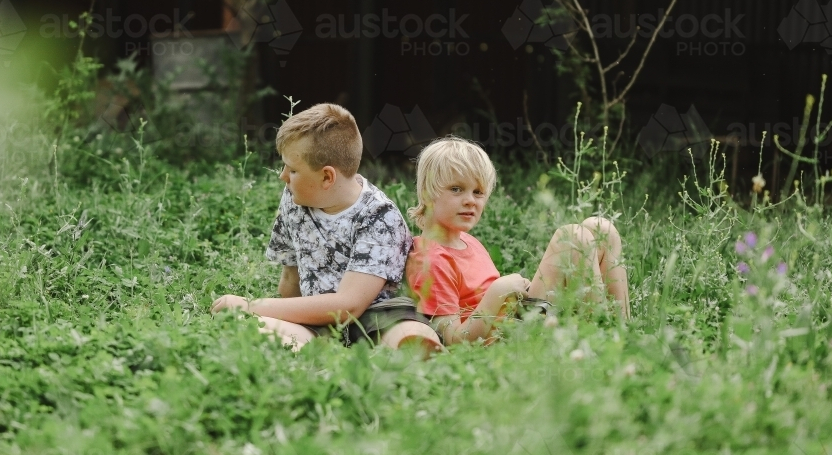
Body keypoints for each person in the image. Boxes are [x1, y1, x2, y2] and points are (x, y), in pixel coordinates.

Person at [211, 103, 442, 353]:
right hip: (314, 318)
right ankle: (307, 352)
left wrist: (250, 304)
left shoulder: (379, 215)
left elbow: (349, 306)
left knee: (408, 332)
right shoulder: (294, 199)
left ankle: (413, 351)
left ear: (327, 177)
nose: (283, 176)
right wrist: (271, 315)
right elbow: (290, 278)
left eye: (293, 169)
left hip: (374, 316)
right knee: (244, 324)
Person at [405, 137, 629, 346]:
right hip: (507, 342)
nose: (470, 200)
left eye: (478, 192)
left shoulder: (468, 242)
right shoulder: (430, 260)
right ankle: (603, 341)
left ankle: (624, 329)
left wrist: (516, 291)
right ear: (427, 193)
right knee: (572, 237)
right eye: (456, 189)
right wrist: (497, 292)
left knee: (601, 228)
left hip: (518, 319)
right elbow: (454, 339)